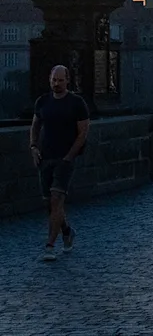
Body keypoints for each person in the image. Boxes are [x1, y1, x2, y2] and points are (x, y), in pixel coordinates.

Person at [30, 65, 90, 261]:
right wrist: (33, 147)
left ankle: (49, 246)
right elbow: (35, 125)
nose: (57, 84)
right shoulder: (43, 102)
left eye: (60, 80)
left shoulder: (77, 103)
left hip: (64, 159)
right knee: (50, 204)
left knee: (56, 199)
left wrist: (69, 157)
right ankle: (66, 231)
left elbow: (82, 133)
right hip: (45, 158)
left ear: (67, 81)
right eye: (54, 80)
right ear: (50, 80)